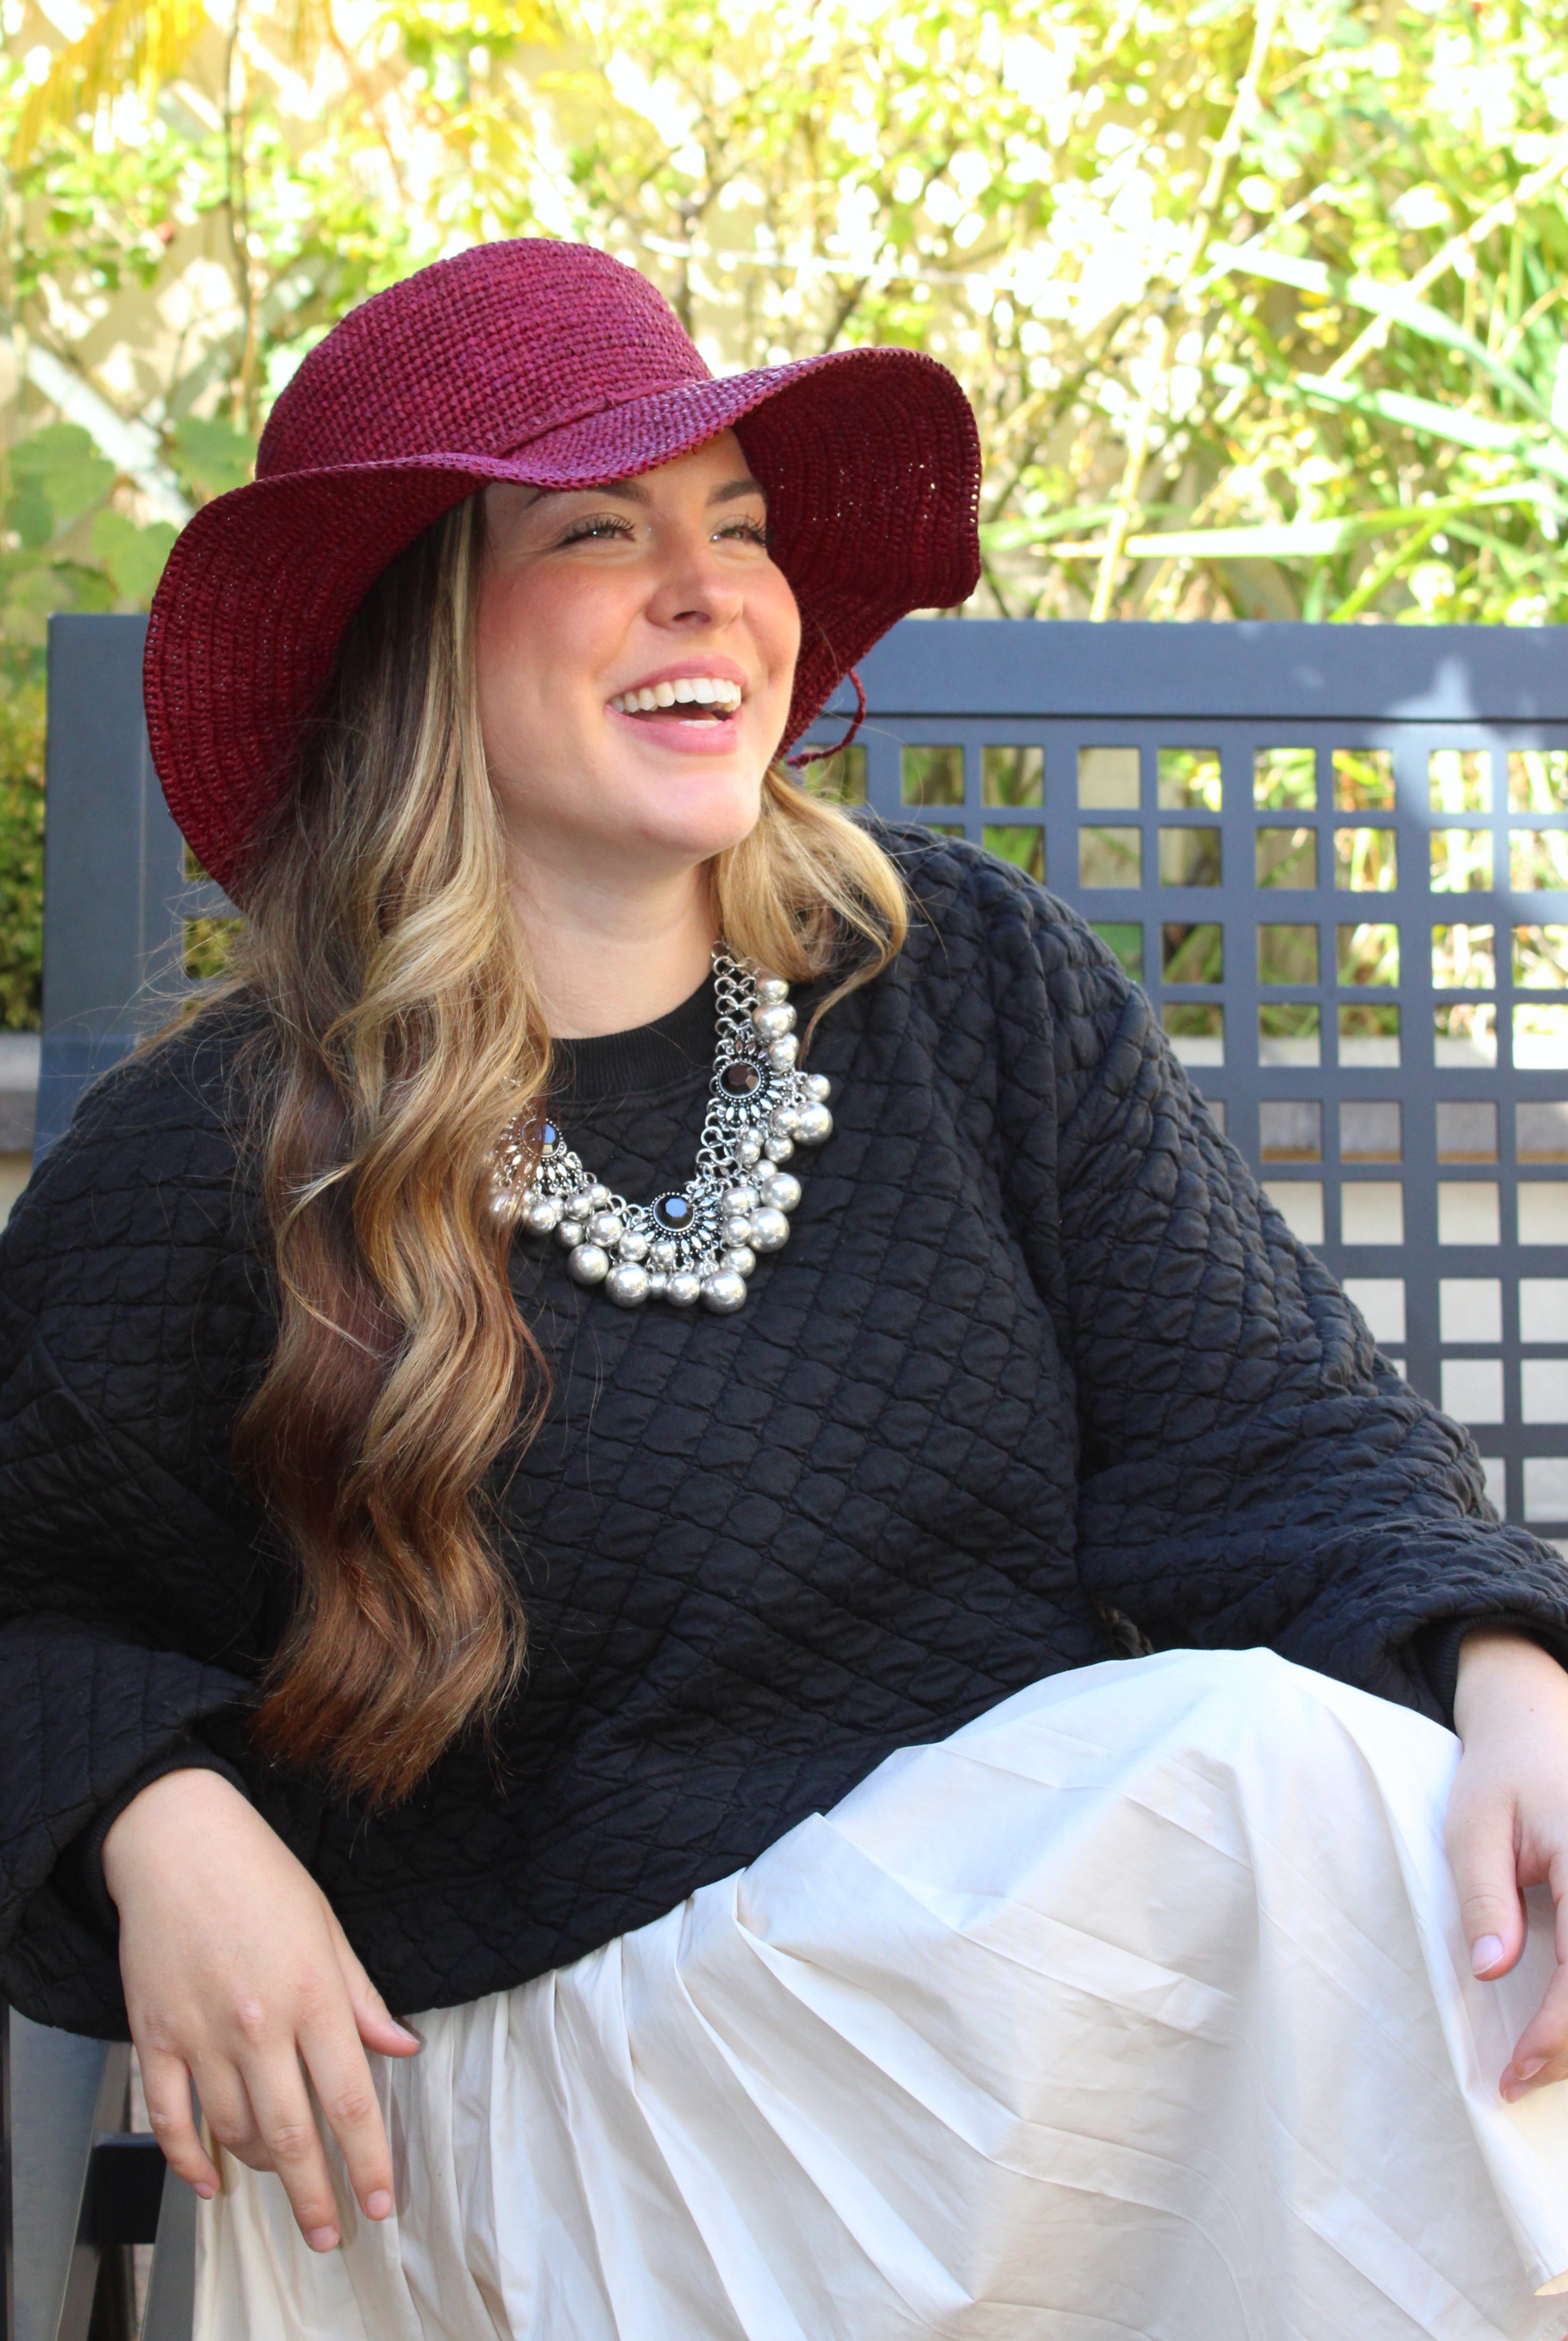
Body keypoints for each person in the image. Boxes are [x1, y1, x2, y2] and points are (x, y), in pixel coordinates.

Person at [3, 239, 1568, 2341]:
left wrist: (1501, 1671)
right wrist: (156, 1821)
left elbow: (1264, 1426)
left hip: (1037, 2062)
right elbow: (24, 1594)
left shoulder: (959, 987)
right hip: (554, 2119)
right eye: (598, 533)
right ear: (412, 639)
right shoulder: (236, 1147)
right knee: (1262, 1782)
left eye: (737, 530)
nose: (710, 592)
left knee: (1374, 1812)